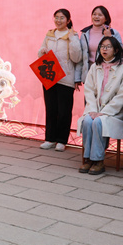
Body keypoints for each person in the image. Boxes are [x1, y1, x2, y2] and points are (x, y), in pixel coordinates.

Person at [76, 36, 123, 175]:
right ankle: (87, 158)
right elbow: (89, 90)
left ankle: (98, 160)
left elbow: (122, 95)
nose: (104, 49)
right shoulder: (95, 67)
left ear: (116, 50)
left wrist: (104, 111)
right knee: (88, 120)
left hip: (114, 113)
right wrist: (93, 110)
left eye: (108, 47)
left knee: (98, 121)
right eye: (102, 46)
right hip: (94, 109)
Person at [37, 9, 83, 151]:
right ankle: (50, 138)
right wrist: (43, 51)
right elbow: (40, 53)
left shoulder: (73, 35)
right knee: (51, 108)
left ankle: (62, 140)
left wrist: (72, 38)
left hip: (66, 78)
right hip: (50, 76)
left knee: (64, 111)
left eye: (62, 18)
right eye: (56, 17)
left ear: (68, 20)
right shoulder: (50, 34)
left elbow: (77, 58)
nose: (58, 20)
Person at [78, 5, 123, 83]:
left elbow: (120, 52)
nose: (96, 17)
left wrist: (109, 37)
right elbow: (81, 57)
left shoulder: (114, 33)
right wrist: (77, 77)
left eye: (100, 15)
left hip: (107, 72)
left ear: (106, 18)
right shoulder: (85, 33)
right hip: (90, 73)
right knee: (89, 94)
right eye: (94, 14)